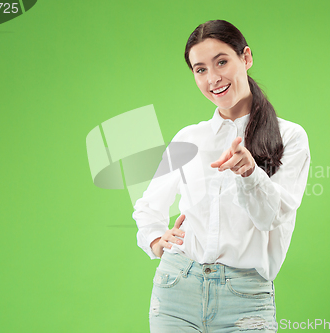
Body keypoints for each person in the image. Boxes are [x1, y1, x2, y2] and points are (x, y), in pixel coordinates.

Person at [132, 19, 311, 332]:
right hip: (176, 291)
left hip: (245, 297)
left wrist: (249, 172)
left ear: (246, 58)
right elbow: (148, 206)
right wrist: (156, 240)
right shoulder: (189, 138)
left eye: (222, 62)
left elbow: (271, 218)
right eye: (200, 69)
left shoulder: (289, 137)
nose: (213, 78)